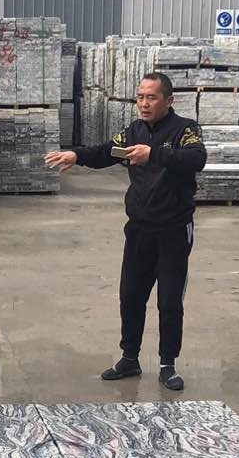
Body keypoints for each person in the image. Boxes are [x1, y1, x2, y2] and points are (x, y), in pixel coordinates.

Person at [46, 71, 206, 391]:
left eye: (151, 97)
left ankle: (167, 364)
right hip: (139, 229)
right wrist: (77, 155)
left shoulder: (185, 129)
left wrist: (154, 154)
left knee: (169, 301)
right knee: (131, 296)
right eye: (140, 97)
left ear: (169, 100)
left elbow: (196, 159)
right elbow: (107, 151)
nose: (144, 104)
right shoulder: (134, 131)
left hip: (173, 230)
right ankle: (129, 358)